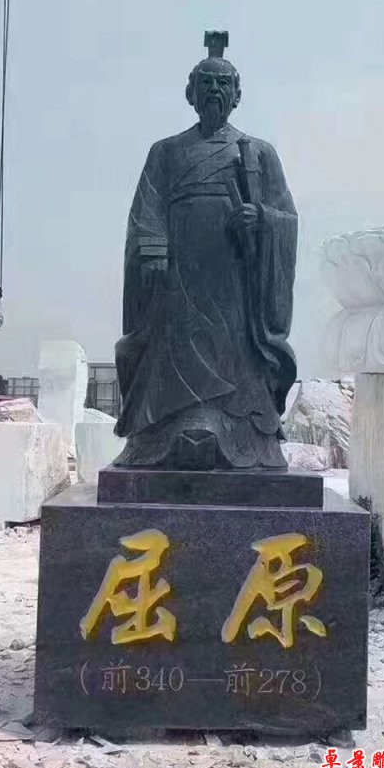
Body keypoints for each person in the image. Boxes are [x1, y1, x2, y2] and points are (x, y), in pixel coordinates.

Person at [113, 32, 298, 471]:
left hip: (235, 282)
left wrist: (261, 219)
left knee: (236, 355)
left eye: (223, 83)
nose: (214, 90)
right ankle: (166, 432)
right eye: (206, 83)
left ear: (237, 95)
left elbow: (286, 217)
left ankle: (243, 437)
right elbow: (145, 211)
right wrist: (153, 250)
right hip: (178, 280)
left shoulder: (259, 153)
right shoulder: (165, 152)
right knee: (173, 348)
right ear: (190, 94)